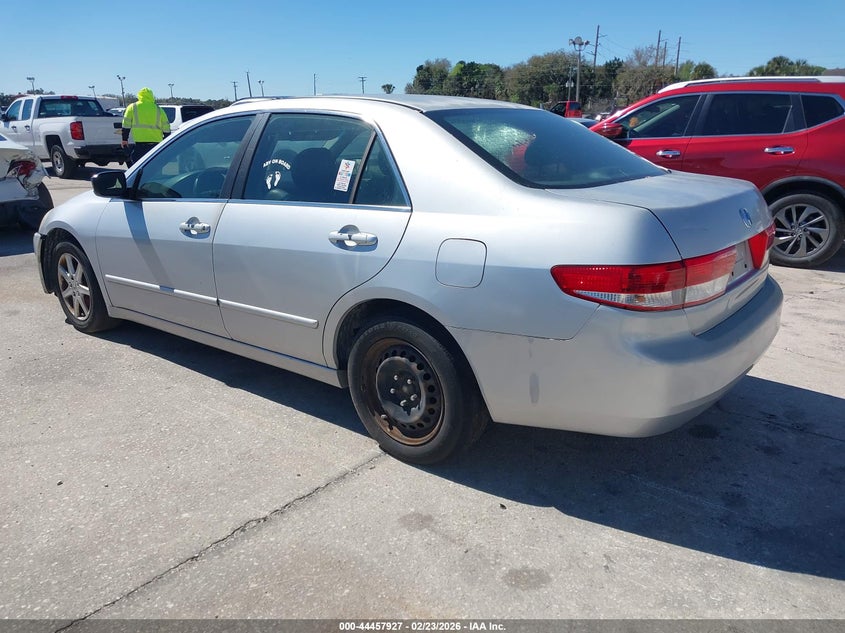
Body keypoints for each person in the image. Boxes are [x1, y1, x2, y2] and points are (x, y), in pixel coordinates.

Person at [121, 87, 171, 165]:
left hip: (140, 145)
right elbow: (167, 129)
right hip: (156, 145)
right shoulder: (158, 109)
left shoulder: (132, 107)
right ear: (152, 96)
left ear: (139, 95)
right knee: (155, 169)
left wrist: (124, 139)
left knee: (137, 168)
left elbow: (126, 125)